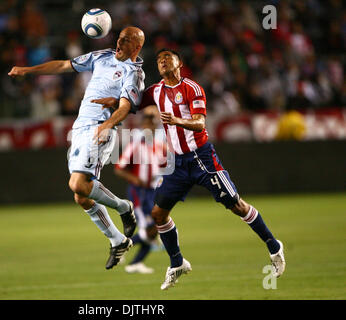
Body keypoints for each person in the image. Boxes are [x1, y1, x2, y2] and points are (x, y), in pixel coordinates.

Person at [96, 48, 286, 290]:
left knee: (236, 205)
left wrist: (177, 121)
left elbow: (199, 122)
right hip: (177, 164)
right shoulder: (156, 91)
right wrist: (114, 103)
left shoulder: (192, 88)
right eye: (159, 59)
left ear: (179, 63)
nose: (163, 61)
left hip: (202, 158)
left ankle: (274, 246)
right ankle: (177, 263)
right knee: (158, 214)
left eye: (168, 57)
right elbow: (132, 105)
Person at [8, 27, 146, 269]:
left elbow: (125, 106)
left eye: (126, 40)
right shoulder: (102, 56)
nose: (119, 42)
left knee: (78, 183)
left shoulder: (134, 73)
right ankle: (117, 240)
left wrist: (108, 123)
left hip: (100, 128)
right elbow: (63, 66)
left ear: (137, 47)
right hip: (80, 127)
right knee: (81, 197)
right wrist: (28, 71)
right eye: (120, 38)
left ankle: (124, 207)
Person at [114, 107, 166, 274]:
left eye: (154, 123)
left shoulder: (157, 145)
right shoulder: (136, 145)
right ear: (143, 124)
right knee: (151, 229)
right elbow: (119, 168)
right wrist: (136, 179)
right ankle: (121, 247)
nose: (152, 126)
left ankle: (134, 262)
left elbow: (161, 168)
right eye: (149, 122)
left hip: (152, 192)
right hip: (139, 192)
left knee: (154, 230)